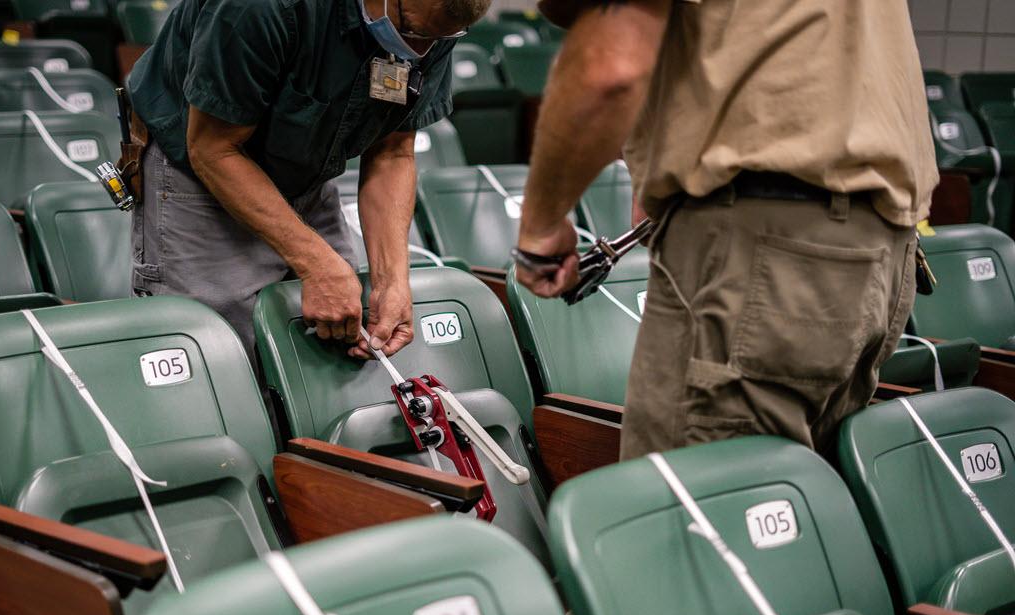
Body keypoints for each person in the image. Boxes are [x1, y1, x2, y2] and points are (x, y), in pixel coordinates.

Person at [512, 0, 937, 460]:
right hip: (882, 242)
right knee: (788, 509)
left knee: (693, 509)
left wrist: (541, 226)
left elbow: (611, 65)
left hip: (772, 245)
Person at [127, 0, 489, 358]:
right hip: (200, 173)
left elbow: (392, 151)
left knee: (341, 341)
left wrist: (392, 281)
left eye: (439, 39)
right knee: (221, 360)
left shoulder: (435, 19)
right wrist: (317, 264)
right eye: (410, 31)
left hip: (305, 169)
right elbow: (213, 150)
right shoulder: (259, 8)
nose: (417, 51)